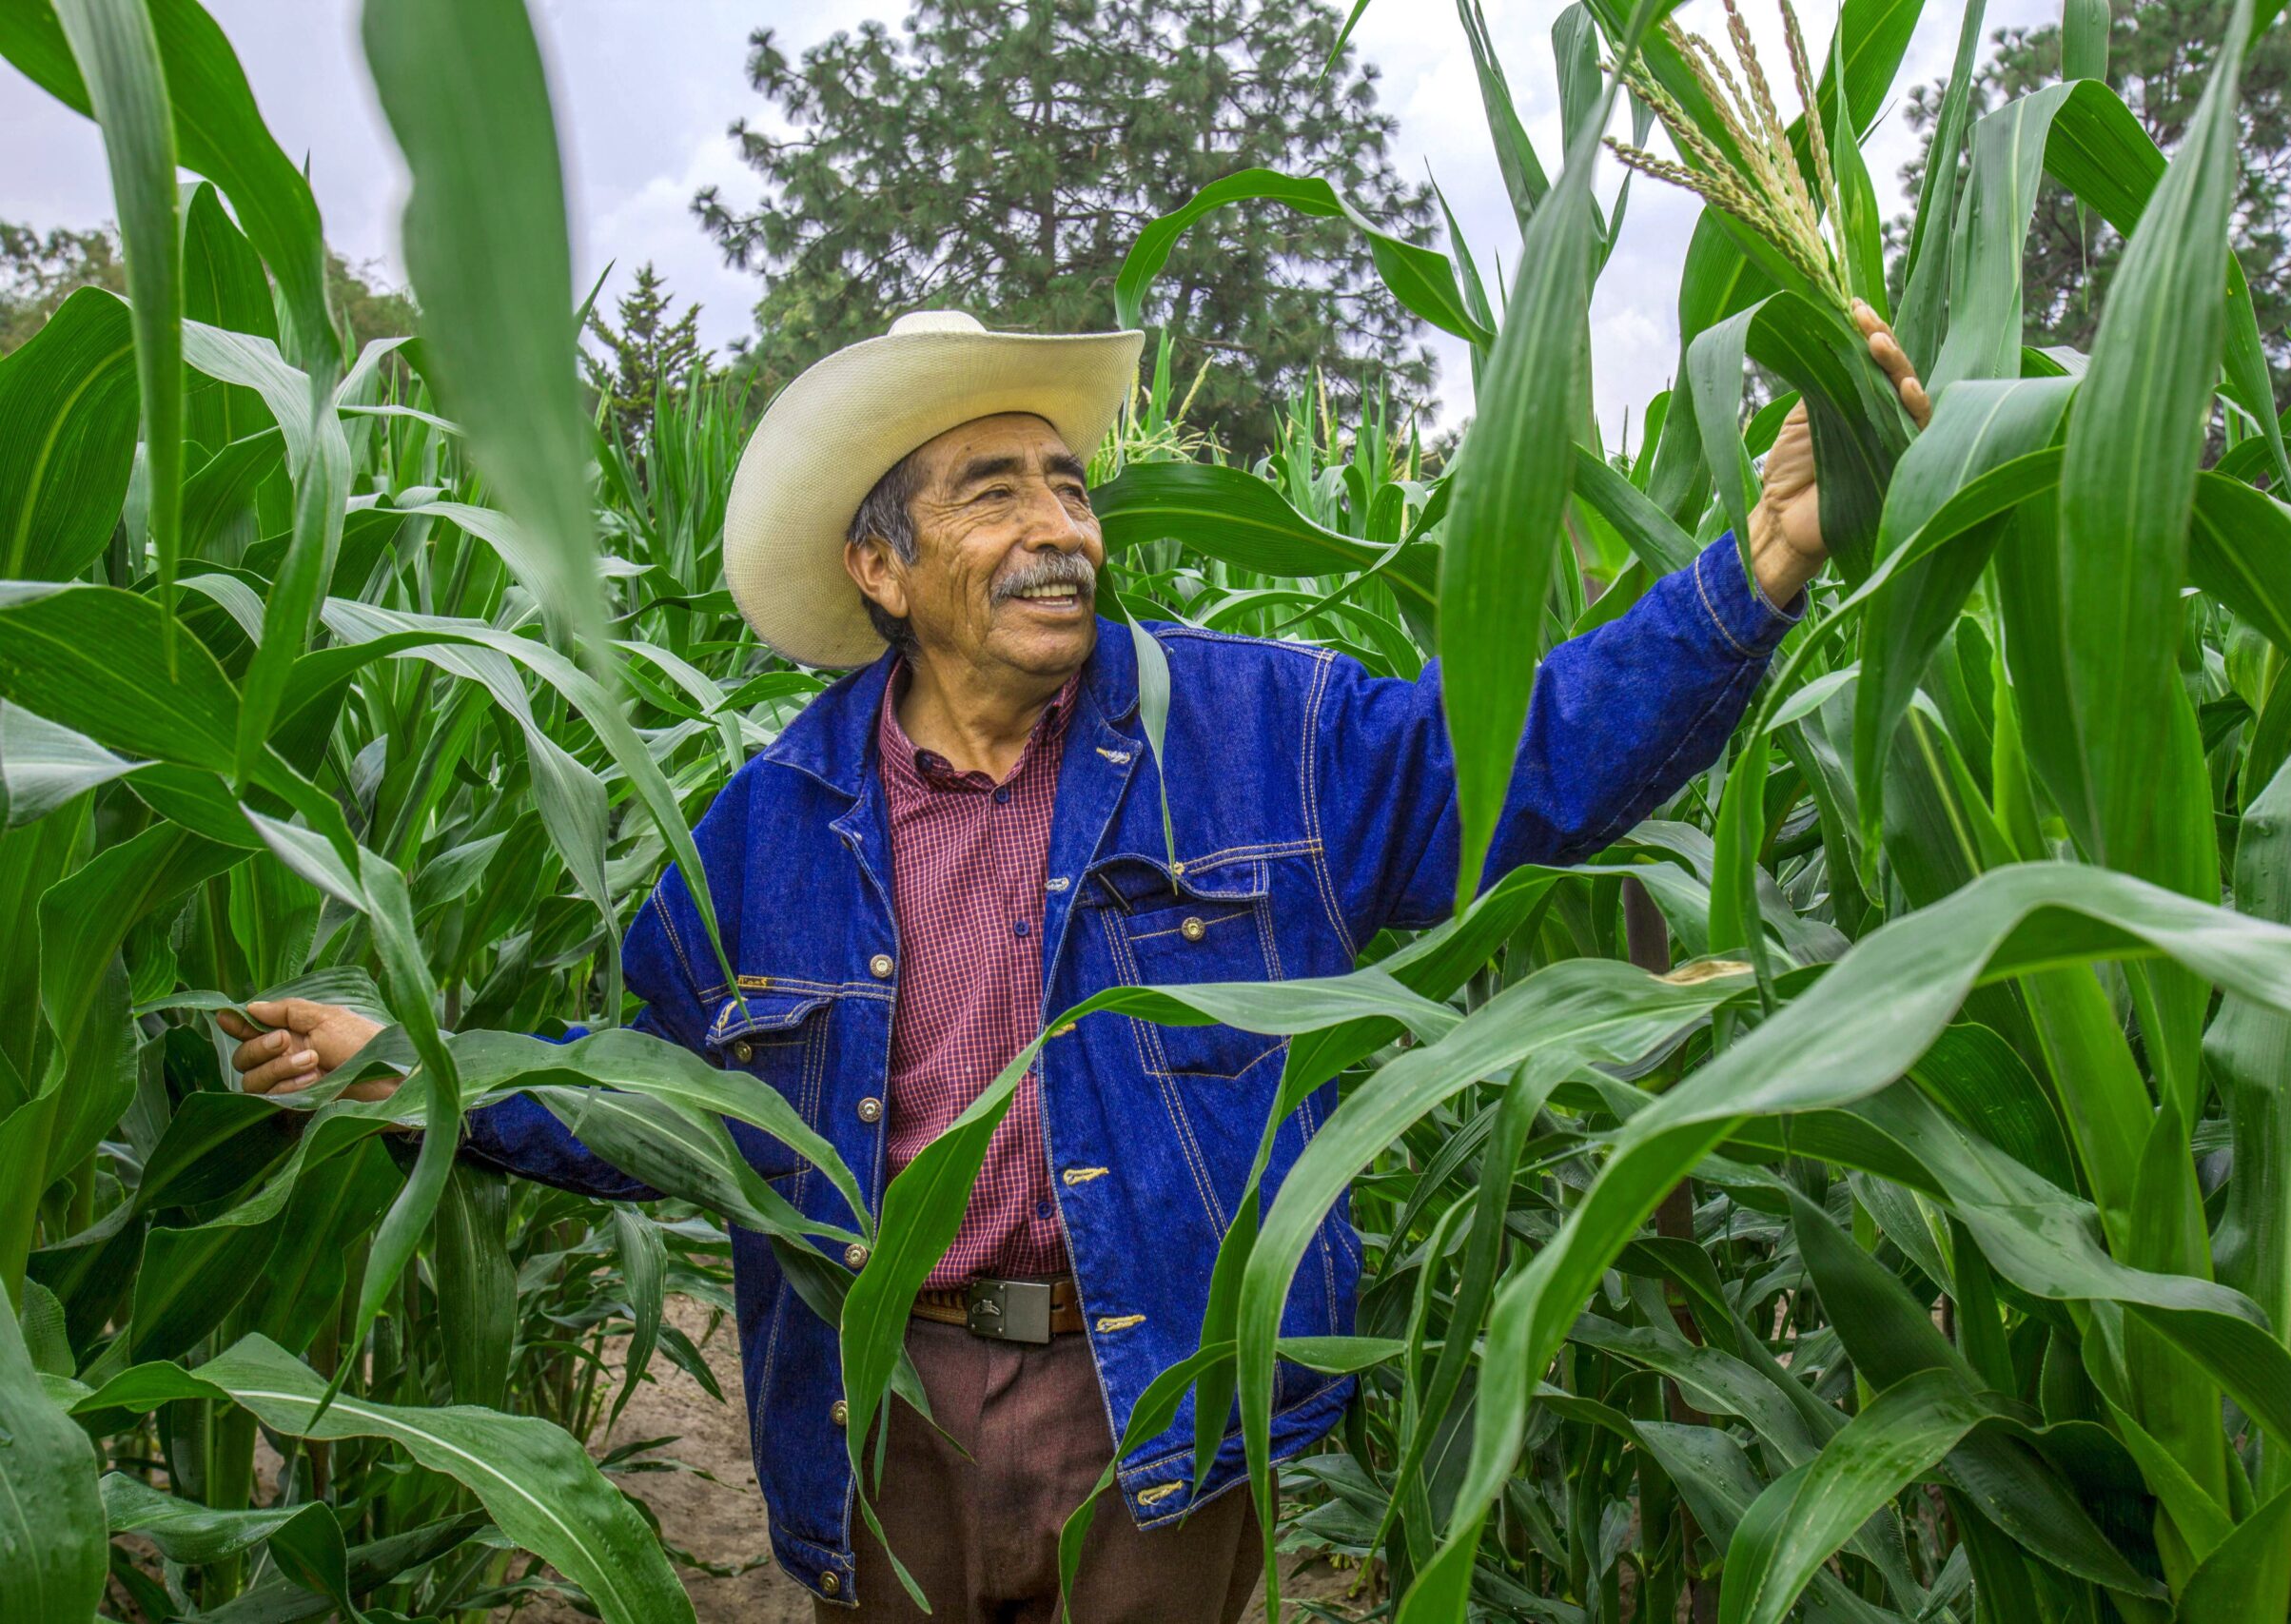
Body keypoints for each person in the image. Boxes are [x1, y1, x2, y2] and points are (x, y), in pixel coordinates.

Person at [220, 303, 1930, 1619]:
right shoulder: (762, 828)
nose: (1063, 526)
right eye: (994, 492)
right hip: (878, 1401)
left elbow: (1532, 767)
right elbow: (648, 1098)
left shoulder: (1263, 731)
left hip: (1157, 1399)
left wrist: (1765, 558)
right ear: (880, 568)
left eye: (1069, 485)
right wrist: (414, 1067)